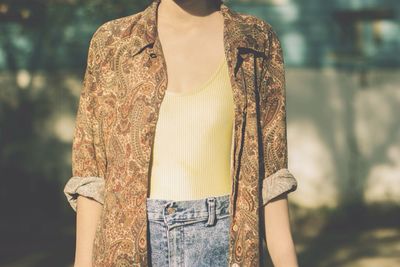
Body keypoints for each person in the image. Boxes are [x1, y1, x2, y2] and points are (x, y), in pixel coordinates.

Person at [63, 0, 299, 266]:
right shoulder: (113, 42)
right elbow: (92, 172)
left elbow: (271, 173)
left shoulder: (255, 40)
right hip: (127, 249)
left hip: (224, 244)